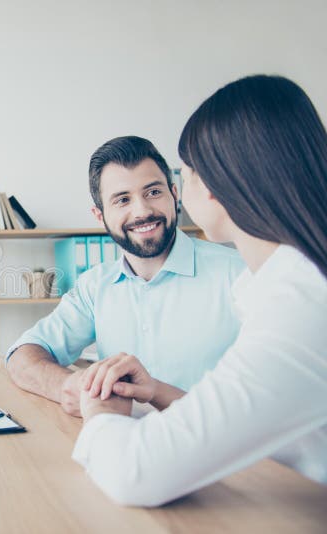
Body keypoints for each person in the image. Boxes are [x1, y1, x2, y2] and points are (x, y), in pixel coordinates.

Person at [73, 74, 327, 505]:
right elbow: (269, 424)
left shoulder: (301, 306)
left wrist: (98, 414)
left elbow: (137, 473)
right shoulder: (287, 286)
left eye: (182, 174)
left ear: (211, 187)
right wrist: (160, 393)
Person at [6, 136, 244, 416]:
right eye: (122, 200)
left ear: (174, 195)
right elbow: (21, 354)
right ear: (100, 215)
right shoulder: (95, 286)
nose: (142, 211)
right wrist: (67, 386)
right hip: (121, 446)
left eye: (153, 192)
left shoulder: (239, 273)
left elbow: (263, 407)